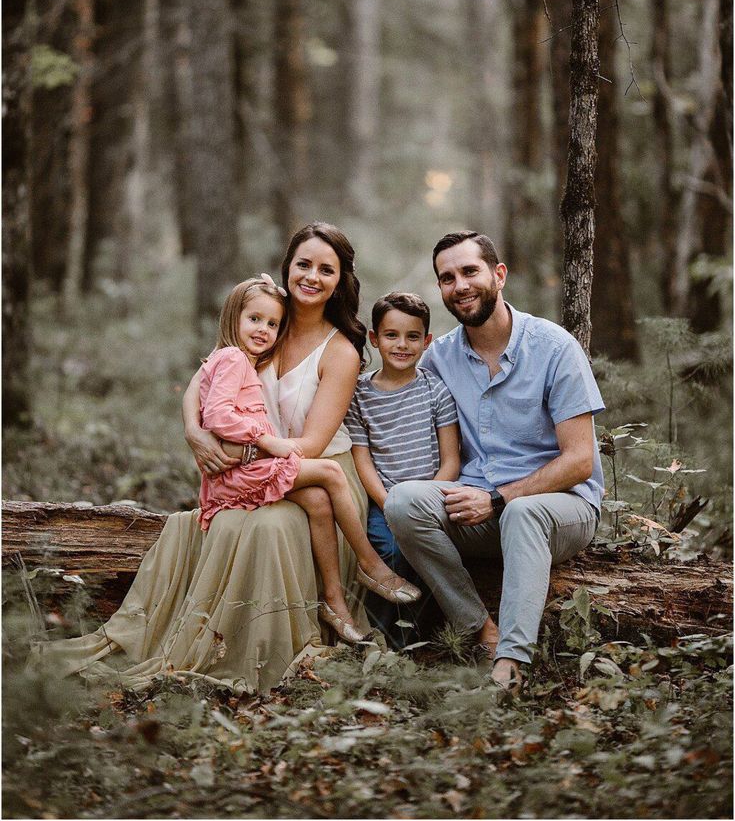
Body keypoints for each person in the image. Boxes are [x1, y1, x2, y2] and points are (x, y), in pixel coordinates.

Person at [36, 223, 396, 693]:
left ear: (340, 280)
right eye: (303, 264)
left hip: (318, 470)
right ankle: (216, 639)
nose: (312, 276)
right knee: (215, 524)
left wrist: (240, 451)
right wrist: (193, 431)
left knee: (268, 528)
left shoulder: (341, 351)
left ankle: (289, 635)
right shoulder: (266, 324)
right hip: (263, 468)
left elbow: (308, 446)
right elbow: (201, 380)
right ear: (287, 266)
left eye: (326, 270)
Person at [384, 231, 605, 693]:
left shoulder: (553, 347)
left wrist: (498, 498)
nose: (459, 285)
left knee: (523, 512)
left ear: (498, 275)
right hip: (476, 510)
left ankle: (511, 661)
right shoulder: (439, 358)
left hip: (558, 508)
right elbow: (390, 403)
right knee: (404, 501)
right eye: (447, 278)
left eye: (470, 271)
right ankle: (480, 630)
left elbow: (581, 460)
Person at [195, 274, 420, 640]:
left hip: (259, 461)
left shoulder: (267, 346)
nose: (264, 328)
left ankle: (334, 600)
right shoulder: (238, 355)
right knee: (330, 474)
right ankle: (369, 563)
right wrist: (209, 432)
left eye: (272, 323)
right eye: (255, 320)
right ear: (235, 317)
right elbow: (212, 403)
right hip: (250, 464)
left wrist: (254, 446)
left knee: (318, 499)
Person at [345, 291, 460, 646]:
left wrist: (428, 500)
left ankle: (422, 636)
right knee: (390, 550)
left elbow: (451, 460)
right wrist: (387, 504)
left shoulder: (435, 390)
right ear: (374, 339)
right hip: (383, 500)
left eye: (413, 336)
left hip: (429, 500)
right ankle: (384, 640)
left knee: (432, 550)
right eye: (392, 335)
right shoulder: (359, 394)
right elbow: (362, 459)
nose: (402, 345)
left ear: (426, 341)